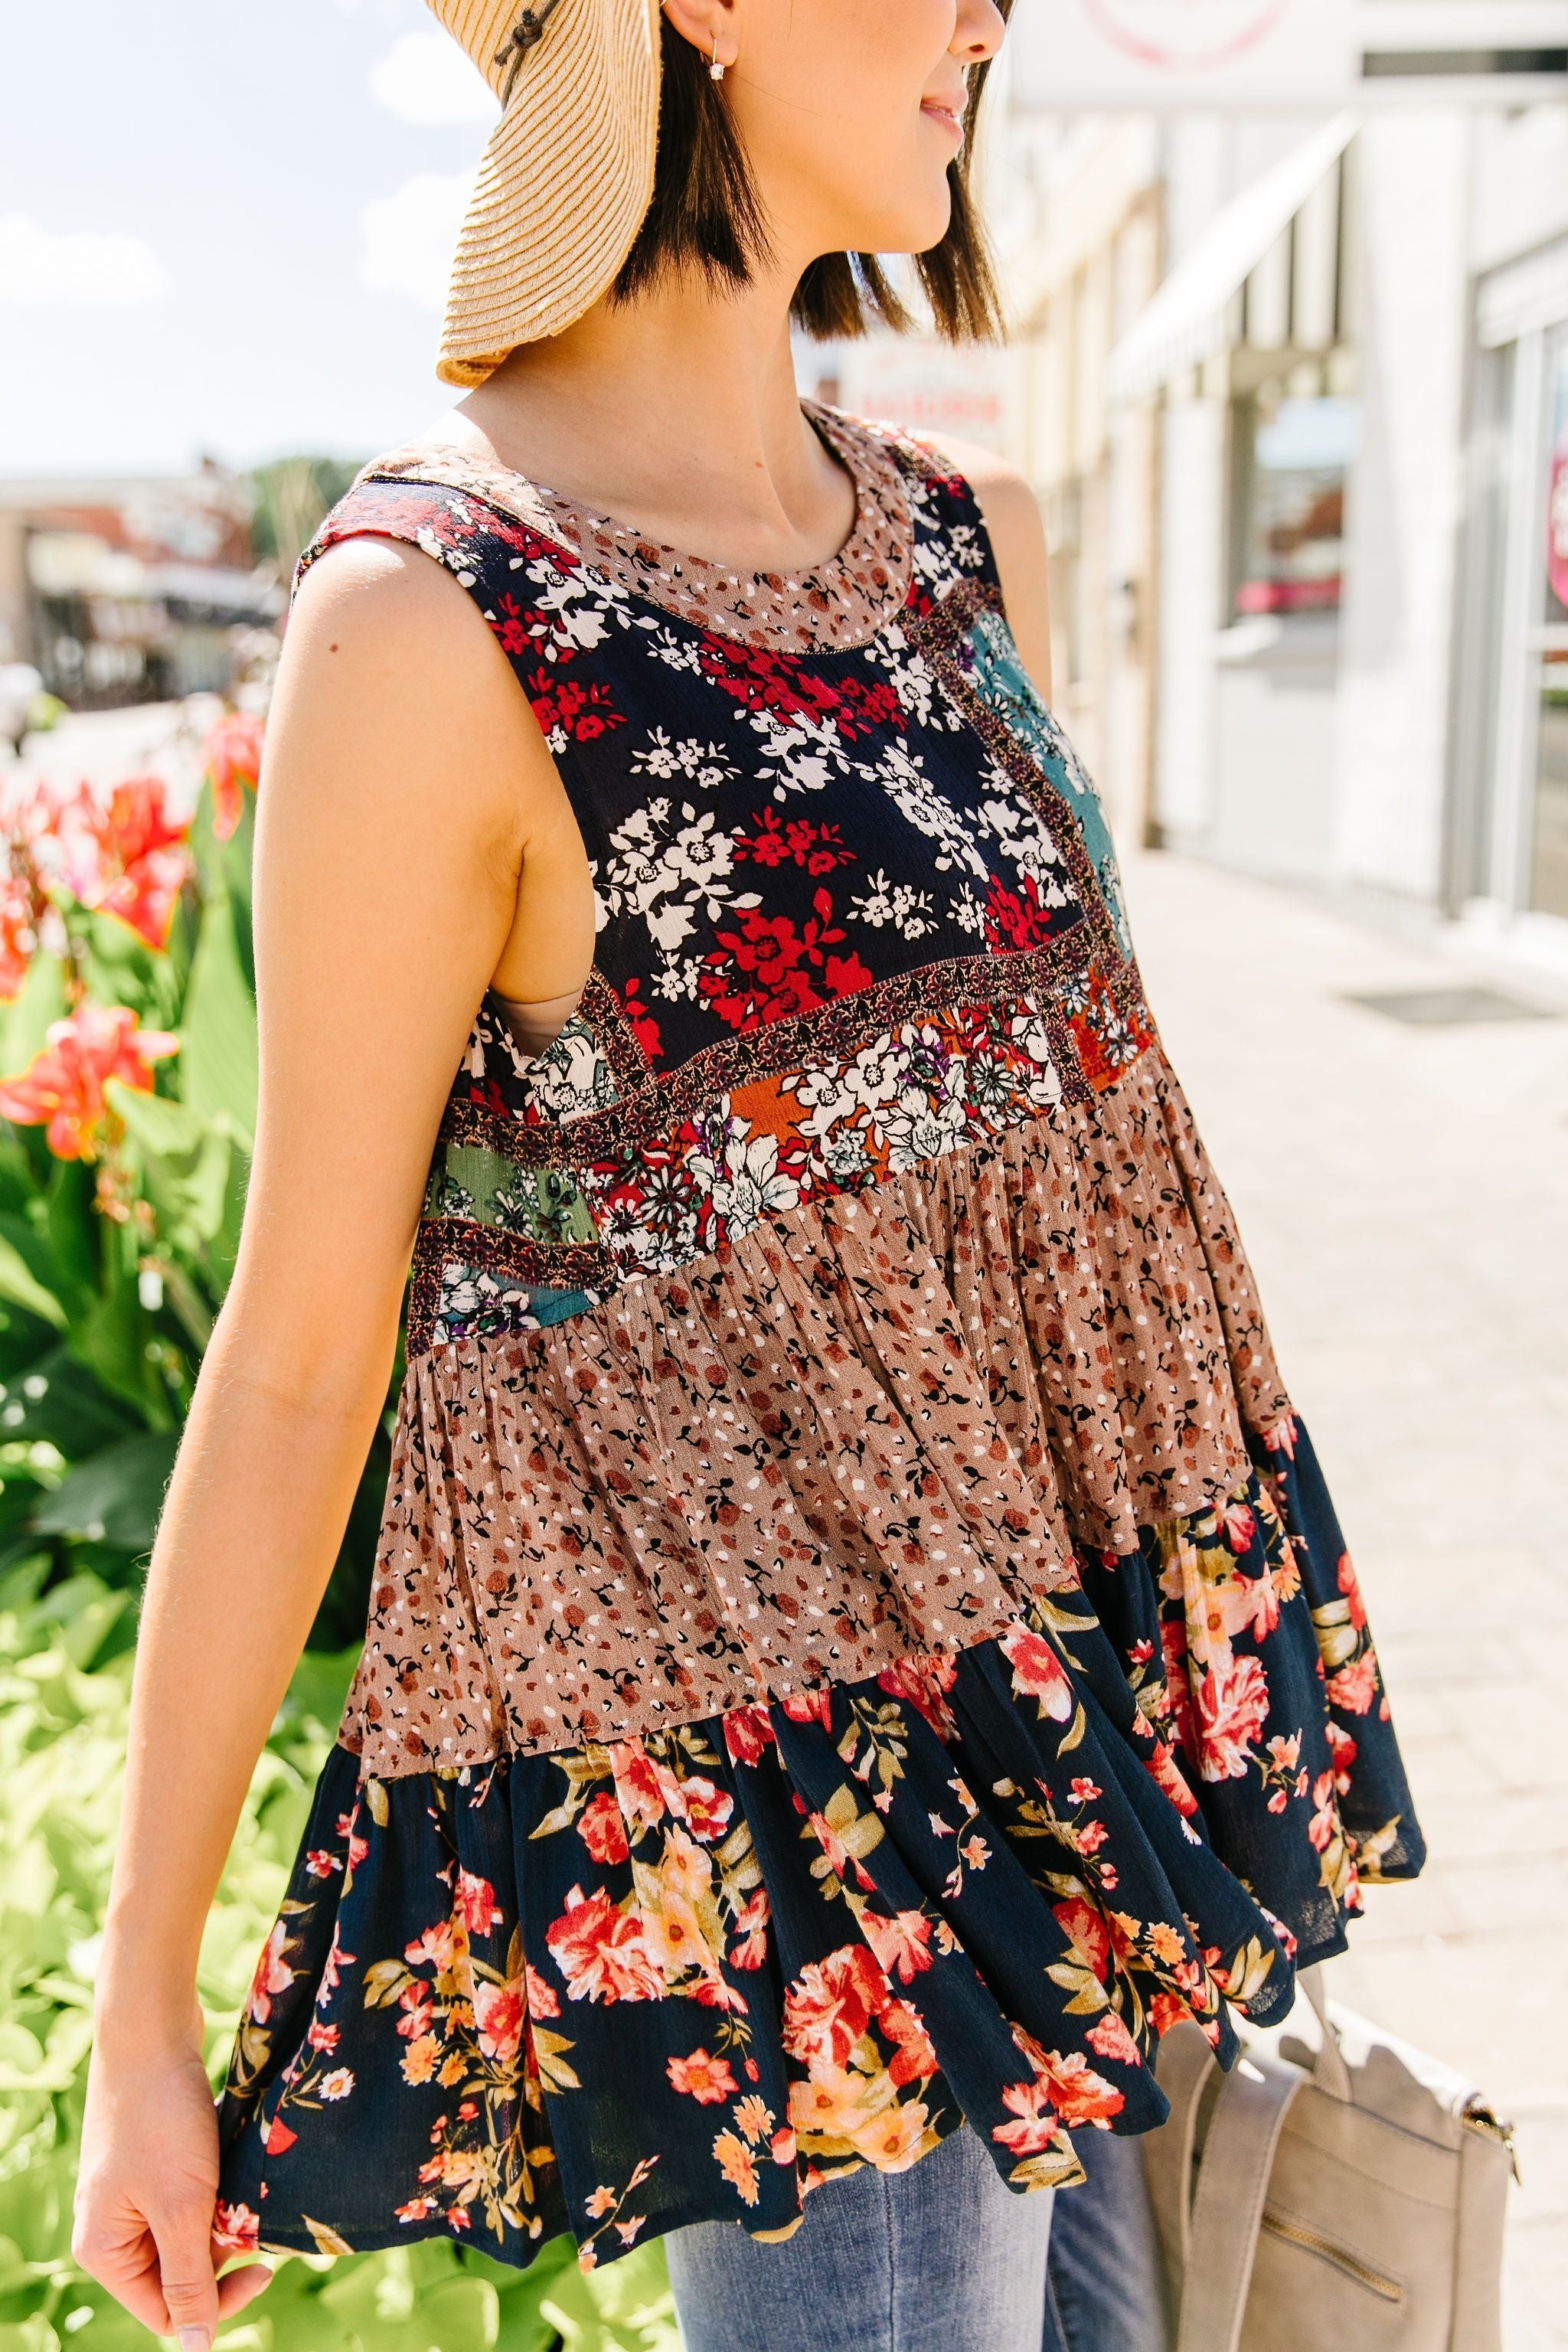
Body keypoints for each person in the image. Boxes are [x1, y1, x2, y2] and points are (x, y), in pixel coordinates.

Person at [71, 2, 1426, 2348]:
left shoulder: (963, 535)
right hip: (817, 1879)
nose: (990, 13)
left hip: (1077, 1757)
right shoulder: (433, 618)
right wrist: (145, 2016)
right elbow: (301, 1354)